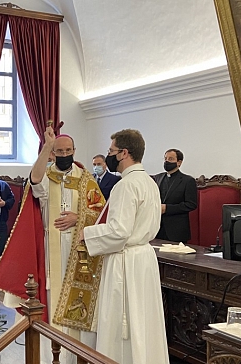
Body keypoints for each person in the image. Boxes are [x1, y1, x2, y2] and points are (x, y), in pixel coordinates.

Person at [0, 125, 106, 364]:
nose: (64, 155)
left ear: (75, 150)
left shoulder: (86, 179)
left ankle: (77, 357)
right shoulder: (46, 176)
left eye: (68, 150)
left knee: (77, 304)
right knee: (51, 303)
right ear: (53, 153)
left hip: (80, 254)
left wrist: (79, 217)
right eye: (59, 151)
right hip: (50, 251)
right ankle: (52, 357)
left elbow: (101, 213)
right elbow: (34, 181)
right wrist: (46, 147)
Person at [79, 129, 169, 364]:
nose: (109, 157)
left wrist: (86, 233)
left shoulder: (125, 185)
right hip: (144, 259)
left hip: (125, 261)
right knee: (144, 321)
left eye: (111, 151)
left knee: (123, 324)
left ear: (124, 153)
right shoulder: (150, 182)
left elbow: (119, 232)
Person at [152, 149, 197, 244]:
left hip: (176, 230)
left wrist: (167, 208)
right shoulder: (158, 177)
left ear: (179, 162)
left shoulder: (188, 181)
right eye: (165, 159)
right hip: (157, 228)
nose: (167, 161)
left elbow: (191, 204)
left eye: (171, 159)